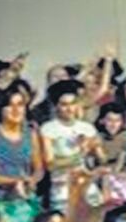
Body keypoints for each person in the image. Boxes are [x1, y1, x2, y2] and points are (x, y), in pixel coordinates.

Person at [0, 88, 44, 222]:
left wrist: (32, 180)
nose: (16, 110)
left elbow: (38, 168)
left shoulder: (30, 133)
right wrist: (13, 182)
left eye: (20, 105)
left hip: (23, 199)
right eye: (10, 105)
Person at [40, 79, 103, 211]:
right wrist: (81, 152)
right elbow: (51, 164)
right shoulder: (48, 129)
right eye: (64, 104)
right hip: (62, 189)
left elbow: (101, 159)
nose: (69, 109)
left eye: (73, 103)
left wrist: (95, 148)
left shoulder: (87, 127)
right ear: (56, 106)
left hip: (87, 187)